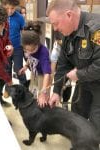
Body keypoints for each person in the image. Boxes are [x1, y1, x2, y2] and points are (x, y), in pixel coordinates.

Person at [47, 0, 100, 141]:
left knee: (95, 128)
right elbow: (63, 65)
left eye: (55, 23)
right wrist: (57, 91)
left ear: (69, 15)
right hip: (85, 84)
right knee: (77, 117)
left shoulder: (96, 29)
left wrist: (78, 74)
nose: (55, 29)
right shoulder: (68, 34)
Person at [19, 21, 51, 107]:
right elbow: (30, 58)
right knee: (32, 90)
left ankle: (44, 109)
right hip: (34, 73)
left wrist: (44, 90)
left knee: (42, 97)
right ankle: (33, 106)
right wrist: (26, 66)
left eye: (32, 50)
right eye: (26, 50)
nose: (29, 52)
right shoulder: (29, 48)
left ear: (37, 44)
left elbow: (47, 74)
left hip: (43, 76)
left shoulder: (43, 52)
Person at [0, 0, 27, 87]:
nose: (10, 11)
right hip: (5, 48)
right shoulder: (0, 16)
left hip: (17, 47)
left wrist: (26, 48)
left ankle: (25, 87)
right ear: (3, 6)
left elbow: (24, 33)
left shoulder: (20, 18)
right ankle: (9, 89)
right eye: (7, 8)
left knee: (18, 68)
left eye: (12, 8)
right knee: (7, 69)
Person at [50, 31, 72, 110]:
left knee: (67, 86)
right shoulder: (55, 51)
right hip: (59, 71)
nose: (62, 42)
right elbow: (52, 70)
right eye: (60, 41)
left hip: (70, 70)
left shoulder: (70, 43)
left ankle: (65, 102)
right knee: (58, 85)